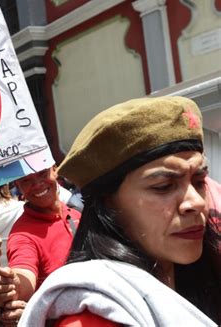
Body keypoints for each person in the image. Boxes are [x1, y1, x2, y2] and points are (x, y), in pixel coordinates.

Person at [19, 96, 220, 326]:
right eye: (163, 186)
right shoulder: (93, 318)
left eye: (199, 181)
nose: (195, 203)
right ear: (108, 203)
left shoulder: (199, 279)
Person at [0, 167, 82, 304]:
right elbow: (24, 275)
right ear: (17, 185)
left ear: (55, 170)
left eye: (42, 173)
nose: (37, 184)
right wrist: (14, 286)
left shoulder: (75, 213)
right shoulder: (22, 236)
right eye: (26, 180)